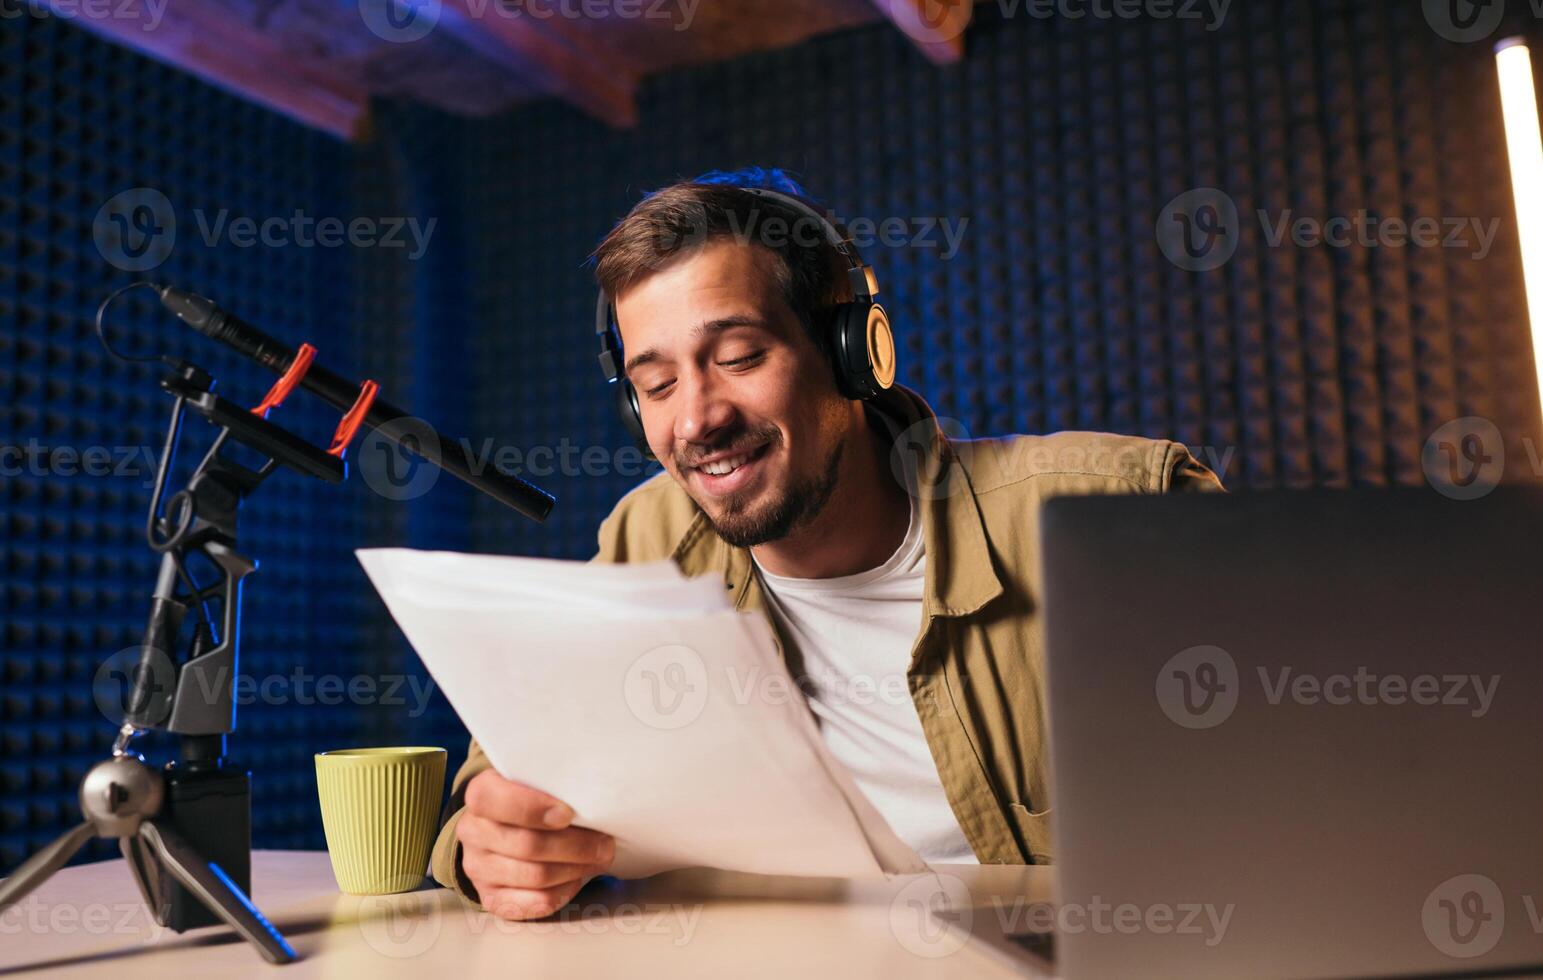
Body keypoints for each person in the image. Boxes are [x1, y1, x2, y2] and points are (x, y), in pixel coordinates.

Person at [429, 168, 1224, 921]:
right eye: (657, 385)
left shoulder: (1120, 509)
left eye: (738, 357)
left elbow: (1297, 799)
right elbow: (501, 780)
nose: (696, 418)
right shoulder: (648, 535)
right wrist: (491, 848)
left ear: (855, 351)